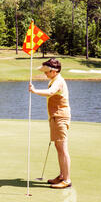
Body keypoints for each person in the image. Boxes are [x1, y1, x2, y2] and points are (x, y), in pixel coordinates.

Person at [29, 58, 72, 189]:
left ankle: (67, 180)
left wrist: (35, 91)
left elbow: (50, 92)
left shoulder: (58, 81)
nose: (45, 74)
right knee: (59, 148)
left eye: (47, 72)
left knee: (63, 149)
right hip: (55, 117)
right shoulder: (54, 80)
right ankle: (62, 176)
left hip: (60, 117)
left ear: (54, 71)